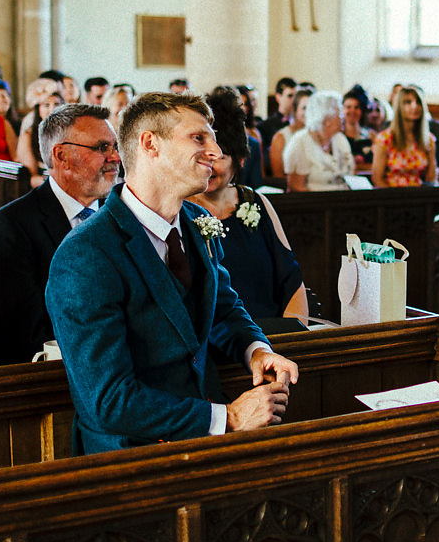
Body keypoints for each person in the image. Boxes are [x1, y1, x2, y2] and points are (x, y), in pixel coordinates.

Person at [44, 91, 299, 453]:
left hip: (206, 445)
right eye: (199, 138)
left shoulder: (197, 223)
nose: (215, 151)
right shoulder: (86, 254)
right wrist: (227, 418)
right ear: (150, 144)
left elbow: (223, 308)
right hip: (134, 458)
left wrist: (255, 350)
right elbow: (108, 401)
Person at [0, 103, 119, 364]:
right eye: (102, 147)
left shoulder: (123, 213)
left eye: (115, 147)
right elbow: (24, 332)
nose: (115, 157)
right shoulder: (13, 225)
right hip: (53, 373)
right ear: (61, 156)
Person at [189, 87, 307, 324]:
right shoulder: (179, 211)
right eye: (201, 155)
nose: (208, 166)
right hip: (214, 347)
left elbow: (292, 282)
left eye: (219, 157)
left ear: (240, 160)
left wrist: (292, 340)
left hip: (271, 339)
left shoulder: (256, 202)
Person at [284, 90, 351, 191]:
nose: (343, 117)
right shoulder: (300, 142)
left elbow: (351, 173)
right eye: (339, 113)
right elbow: (296, 186)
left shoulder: (341, 139)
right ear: (327, 119)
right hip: (314, 203)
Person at [371, 83, 434, 187]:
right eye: (408, 102)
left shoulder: (428, 139)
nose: (414, 106)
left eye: (418, 102)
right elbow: (377, 178)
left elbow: (431, 177)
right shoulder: (385, 139)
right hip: (392, 196)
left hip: (420, 196)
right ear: (399, 107)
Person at [269, 84, 310, 179]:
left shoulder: (318, 136)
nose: (308, 113)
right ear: (295, 110)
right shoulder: (281, 137)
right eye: (304, 108)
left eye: (311, 108)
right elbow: (278, 177)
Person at [340, 87, 374, 172]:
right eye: (348, 107)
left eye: (356, 107)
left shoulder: (371, 135)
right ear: (342, 110)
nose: (352, 111)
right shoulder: (339, 136)